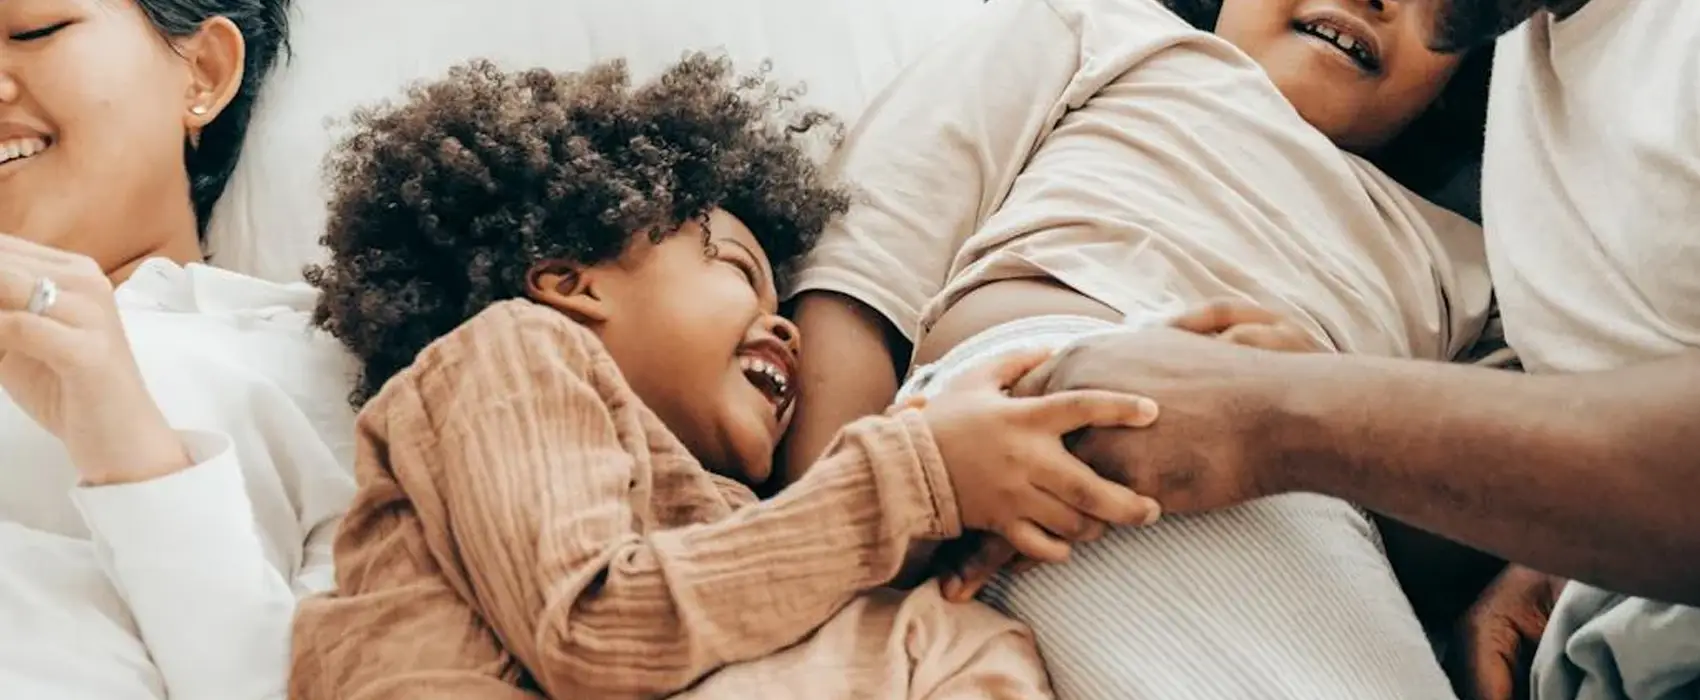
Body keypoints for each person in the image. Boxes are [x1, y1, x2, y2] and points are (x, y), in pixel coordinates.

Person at [288, 55, 1163, 700]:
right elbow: (595, 627)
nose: (784, 324)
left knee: (957, 636)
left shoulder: (730, 519)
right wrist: (916, 477)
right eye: (739, 269)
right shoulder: (506, 356)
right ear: (569, 282)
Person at [783, 0, 1498, 697]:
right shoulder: (1100, 30)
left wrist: (1325, 405)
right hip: (1022, 405)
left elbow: (1465, 537)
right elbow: (857, 278)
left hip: (1301, 496)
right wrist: (835, 545)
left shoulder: (1479, 266)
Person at [998, 1, 1700, 699]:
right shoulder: (1099, 38)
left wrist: (1289, 414)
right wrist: (1567, 547)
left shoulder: (1457, 252)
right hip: (1037, 384)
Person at [0, 0, 356, 698]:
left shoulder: (328, 365)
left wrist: (134, 455)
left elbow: (305, 683)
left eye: (34, 30)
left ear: (204, 71)